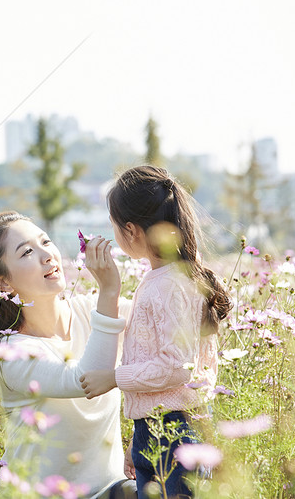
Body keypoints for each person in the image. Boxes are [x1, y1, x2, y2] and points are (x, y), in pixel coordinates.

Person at [80, 166, 232, 499]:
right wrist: (140, 433)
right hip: (161, 428)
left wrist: (114, 378)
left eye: (114, 225)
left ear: (131, 230)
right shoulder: (166, 279)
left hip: (175, 434)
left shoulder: (168, 286)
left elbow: (178, 368)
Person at [0, 211, 137, 499]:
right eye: (26, 253)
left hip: (110, 491)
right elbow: (85, 380)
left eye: (45, 242)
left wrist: (146, 425)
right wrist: (108, 289)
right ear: (3, 283)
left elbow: (164, 323)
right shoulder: (9, 352)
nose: (47, 255)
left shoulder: (88, 312)